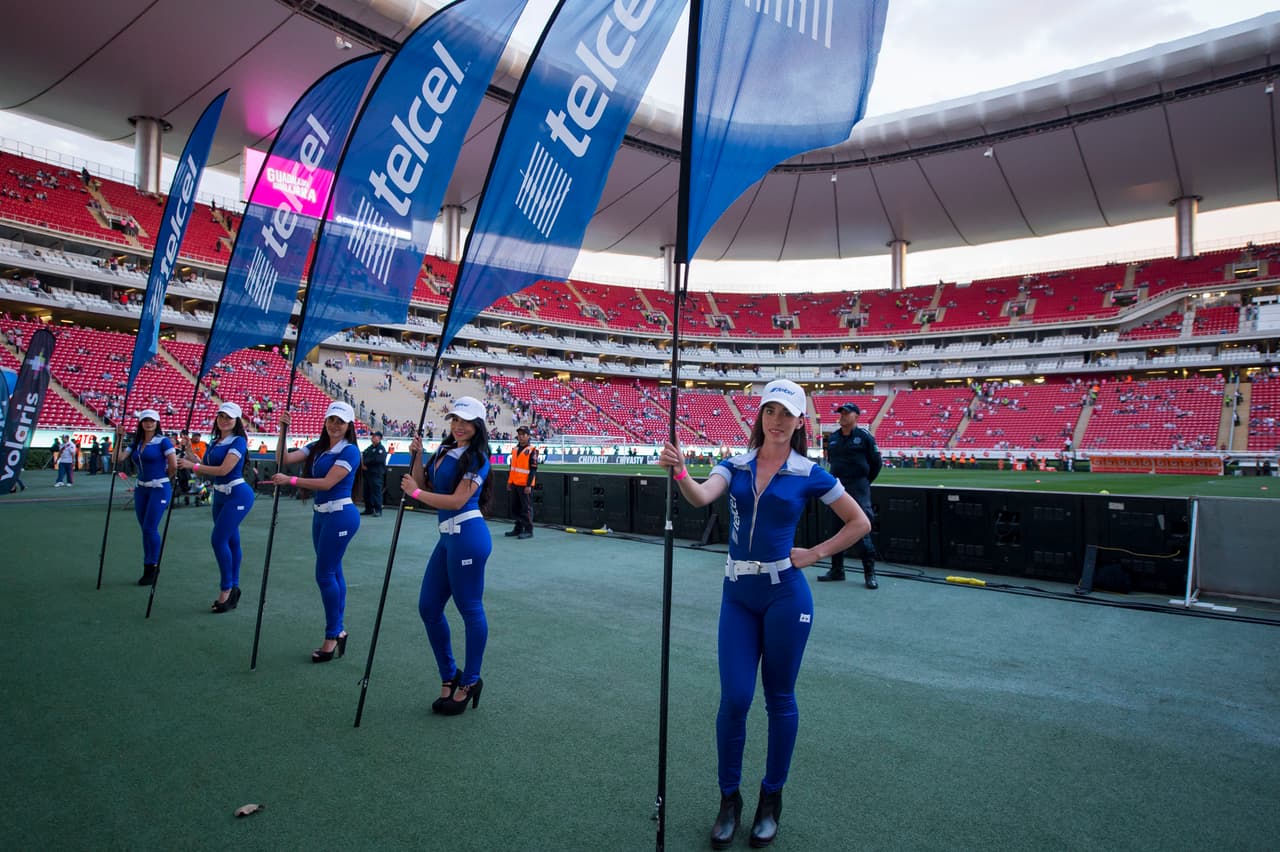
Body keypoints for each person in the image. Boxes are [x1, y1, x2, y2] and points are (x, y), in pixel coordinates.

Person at [657, 379, 869, 849]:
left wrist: (815, 553)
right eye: (769, 410)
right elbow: (700, 496)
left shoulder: (809, 472)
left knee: (779, 699)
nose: (776, 420)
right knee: (734, 698)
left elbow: (860, 522)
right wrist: (680, 473)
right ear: (760, 416)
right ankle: (728, 800)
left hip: (785, 596)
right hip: (737, 594)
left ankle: (770, 800)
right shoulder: (734, 464)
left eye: (786, 413)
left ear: (799, 423)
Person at [401, 396, 493, 716]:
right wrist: (417, 456)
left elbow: (454, 501)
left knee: (469, 609)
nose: (458, 425)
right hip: (447, 539)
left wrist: (413, 492)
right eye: (455, 419)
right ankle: (449, 674)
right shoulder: (444, 449)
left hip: (468, 537)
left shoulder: (478, 457)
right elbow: (424, 482)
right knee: (428, 607)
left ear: (478, 425)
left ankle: (469, 680)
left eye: (466, 421)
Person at [271, 401, 361, 662]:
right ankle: (338, 630)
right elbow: (282, 459)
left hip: (340, 515)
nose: (335, 425)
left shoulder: (351, 451)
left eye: (340, 422)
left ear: (349, 425)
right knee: (333, 572)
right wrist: (282, 431)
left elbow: (327, 482)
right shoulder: (317, 447)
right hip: (322, 515)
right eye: (331, 419)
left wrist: (292, 481)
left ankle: (332, 636)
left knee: (325, 575)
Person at [179, 402, 254, 612]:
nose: (224, 419)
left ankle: (226, 590)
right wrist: (188, 451)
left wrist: (192, 465)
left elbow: (223, 470)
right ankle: (234, 587)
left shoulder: (238, 441)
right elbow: (205, 468)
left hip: (237, 494)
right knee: (231, 540)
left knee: (218, 539)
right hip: (220, 495)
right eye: (221, 415)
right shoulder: (214, 442)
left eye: (229, 417)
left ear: (236, 420)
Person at [819, 402, 883, 588]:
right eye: (841, 413)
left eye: (847, 413)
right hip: (837, 488)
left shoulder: (864, 437)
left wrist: (863, 483)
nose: (843, 416)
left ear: (857, 416)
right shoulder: (834, 438)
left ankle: (869, 573)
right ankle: (837, 570)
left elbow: (876, 464)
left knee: (860, 529)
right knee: (835, 529)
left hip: (858, 488)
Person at [114, 411, 177, 585]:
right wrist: (119, 437)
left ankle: (152, 566)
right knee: (145, 529)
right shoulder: (137, 442)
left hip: (159, 488)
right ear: (141, 423)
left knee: (150, 527)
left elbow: (172, 465)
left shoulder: (163, 441)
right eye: (145, 420)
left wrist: (165, 479)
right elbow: (117, 459)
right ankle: (148, 564)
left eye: (152, 421)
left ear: (157, 423)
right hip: (141, 489)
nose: (149, 423)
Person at [504, 425, 538, 539]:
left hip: (525, 485)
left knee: (526, 508)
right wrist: (509, 482)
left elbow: (533, 470)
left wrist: (528, 485)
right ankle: (518, 528)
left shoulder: (532, 450)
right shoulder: (515, 449)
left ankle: (529, 530)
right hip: (515, 483)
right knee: (516, 508)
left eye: (524, 434)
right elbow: (512, 468)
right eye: (519, 434)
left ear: (528, 436)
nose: (521, 436)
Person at [361, 431, 387, 516]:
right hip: (368, 473)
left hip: (376, 474)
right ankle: (369, 509)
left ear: (379, 438)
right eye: (372, 437)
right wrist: (363, 463)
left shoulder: (381, 449)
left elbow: (378, 460)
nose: (372, 438)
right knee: (366, 492)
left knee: (376, 492)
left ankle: (378, 510)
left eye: (375, 437)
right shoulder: (370, 448)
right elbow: (363, 454)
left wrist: (366, 462)